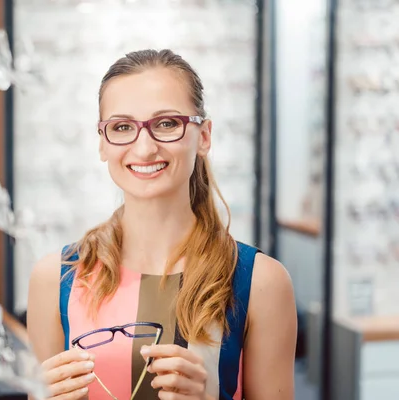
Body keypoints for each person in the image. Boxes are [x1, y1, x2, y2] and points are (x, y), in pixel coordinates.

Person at [27, 49, 297, 400]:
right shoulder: (56, 278)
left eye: (166, 124)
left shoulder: (261, 282)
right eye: (122, 127)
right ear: (102, 144)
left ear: (203, 136)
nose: (144, 148)